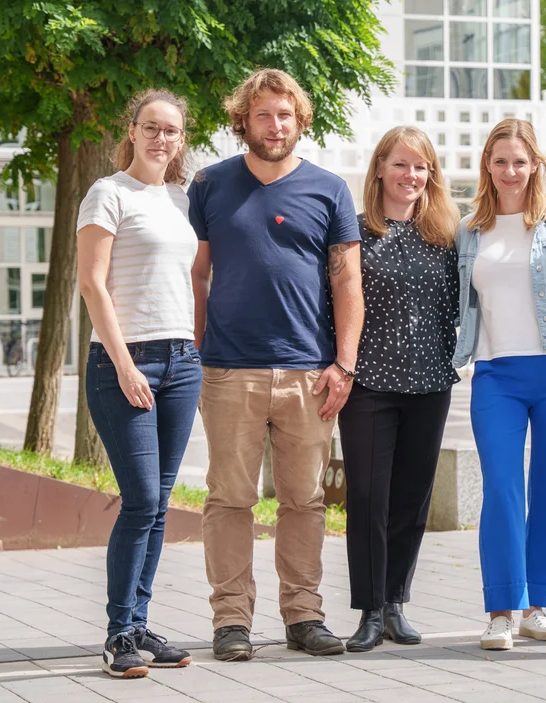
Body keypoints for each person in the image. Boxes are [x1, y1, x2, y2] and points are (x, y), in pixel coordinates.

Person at [187, 68, 364, 662]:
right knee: (230, 499)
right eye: (263, 114)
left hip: (309, 374)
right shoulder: (210, 185)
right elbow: (197, 272)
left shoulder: (329, 189)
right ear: (244, 120)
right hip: (230, 370)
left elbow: (347, 283)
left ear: (300, 120)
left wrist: (343, 363)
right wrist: (196, 347)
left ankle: (304, 616)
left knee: (304, 501)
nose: (275, 124)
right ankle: (232, 621)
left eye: (285, 114)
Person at [453, 118, 546, 651]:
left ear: (535, 164)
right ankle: (501, 610)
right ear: (487, 167)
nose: (510, 171)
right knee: (502, 489)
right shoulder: (468, 230)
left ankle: (540, 607)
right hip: (495, 373)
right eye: (500, 162)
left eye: (520, 161)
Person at [76, 89, 201, 678]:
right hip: (123, 363)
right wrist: (124, 363)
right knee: (142, 499)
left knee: (161, 504)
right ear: (131, 131)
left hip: (182, 363)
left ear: (181, 139)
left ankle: (140, 623)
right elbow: (92, 284)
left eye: (171, 131)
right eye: (150, 128)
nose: (160, 139)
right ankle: (118, 632)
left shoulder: (181, 199)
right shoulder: (107, 194)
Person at [339, 127, 461, 652]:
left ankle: (395, 604)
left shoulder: (447, 235)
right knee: (368, 497)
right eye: (402, 164)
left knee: (413, 497)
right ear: (381, 169)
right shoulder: (356, 233)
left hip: (430, 383)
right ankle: (367, 609)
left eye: (422, 167)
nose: (412, 175)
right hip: (369, 382)